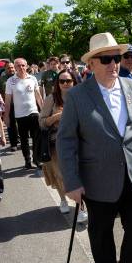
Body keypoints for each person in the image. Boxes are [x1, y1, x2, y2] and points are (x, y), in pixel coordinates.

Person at [57, 32, 132, 263]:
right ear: (91, 64)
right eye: (106, 59)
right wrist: (72, 181)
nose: (114, 64)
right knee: (100, 231)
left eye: (116, 58)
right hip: (97, 177)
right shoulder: (78, 96)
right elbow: (66, 142)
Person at [39, 69, 88, 221]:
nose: (65, 84)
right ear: (57, 83)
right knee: (61, 175)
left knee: (81, 175)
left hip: (81, 142)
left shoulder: (83, 97)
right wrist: (57, 117)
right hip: (56, 144)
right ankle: (63, 199)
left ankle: (81, 207)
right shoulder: (51, 99)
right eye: (62, 81)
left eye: (68, 81)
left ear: (74, 82)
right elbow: (41, 123)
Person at [4, 58, 44, 169]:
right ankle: (27, 160)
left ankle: (37, 159)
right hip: (20, 115)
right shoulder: (11, 81)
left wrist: (44, 111)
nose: (21, 68)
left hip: (34, 112)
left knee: (36, 137)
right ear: (15, 68)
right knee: (24, 139)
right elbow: (7, 101)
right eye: (18, 66)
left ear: (26, 66)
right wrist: (6, 116)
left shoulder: (33, 78)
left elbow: (38, 97)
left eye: (23, 65)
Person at [0, 62, 19, 151]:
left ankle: (20, 139)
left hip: (20, 104)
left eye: (12, 67)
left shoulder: (19, 77)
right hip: (9, 105)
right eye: (9, 68)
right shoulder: (1, 80)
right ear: (5, 69)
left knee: (21, 124)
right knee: (10, 124)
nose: (11, 69)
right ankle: (14, 144)